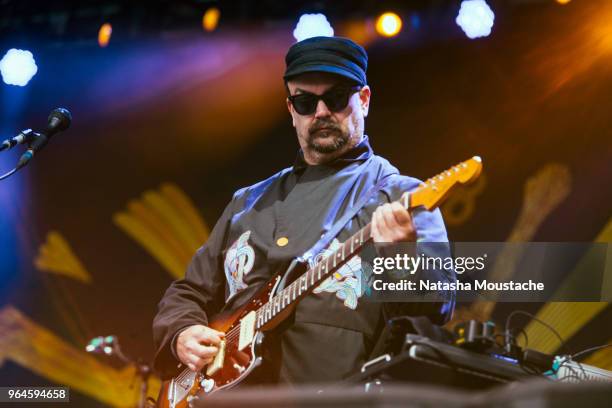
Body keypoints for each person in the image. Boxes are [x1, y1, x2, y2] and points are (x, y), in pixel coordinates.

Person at [152, 36, 454, 383]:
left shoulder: (401, 195)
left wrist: (400, 256)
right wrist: (181, 333)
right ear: (291, 110)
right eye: (306, 102)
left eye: (337, 98)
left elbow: (438, 305)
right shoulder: (248, 201)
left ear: (365, 100)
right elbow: (188, 291)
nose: (322, 112)